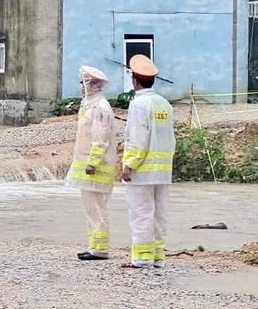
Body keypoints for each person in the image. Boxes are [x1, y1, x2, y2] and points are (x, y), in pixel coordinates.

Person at [120, 54, 177, 269]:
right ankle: (158, 257)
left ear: (135, 81)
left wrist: (129, 165)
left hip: (142, 170)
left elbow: (137, 139)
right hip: (163, 170)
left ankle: (142, 258)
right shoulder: (164, 104)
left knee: (141, 213)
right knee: (160, 214)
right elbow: (170, 137)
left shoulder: (138, 104)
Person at [66, 66, 117, 261]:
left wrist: (93, 162)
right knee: (91, 209)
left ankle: (100, 249)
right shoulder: (89, 104)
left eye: (84, 83)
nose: (82, 87)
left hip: (96, 169)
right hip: (89, 168)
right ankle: (94, 246)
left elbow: (100, 138)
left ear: (93, 85)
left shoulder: (100, 107)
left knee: (97, 208)